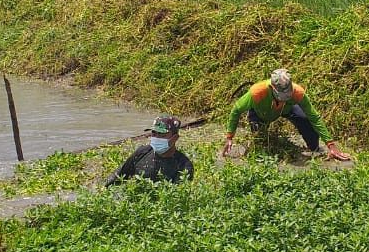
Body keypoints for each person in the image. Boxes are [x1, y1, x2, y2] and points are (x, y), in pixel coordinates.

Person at [221, 68, 352, 161]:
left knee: (304, 119)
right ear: (273, 88)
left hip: (285, 110)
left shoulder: (297, 92)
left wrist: (331, 145)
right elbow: (236, 110)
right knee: (261, 145)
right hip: (260, 113)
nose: (284, 97)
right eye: (281, 96)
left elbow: (314, 117)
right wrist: (229, 137)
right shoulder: (257, 92)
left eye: (287, 95)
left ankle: (315, 148)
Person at [106, 116, 195, 186]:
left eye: (161, 134)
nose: (156, 137)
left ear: (175, 138)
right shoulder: (142, 152)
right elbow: (118, 176)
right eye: (154, 133)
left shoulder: (184, 166)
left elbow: (177, 197)